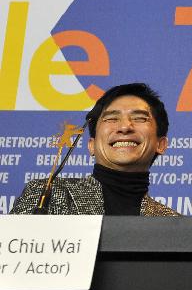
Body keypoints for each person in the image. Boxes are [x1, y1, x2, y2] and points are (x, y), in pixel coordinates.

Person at [12, 83, 178, 216]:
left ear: (161, 144)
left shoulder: (171, 223)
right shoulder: (48, 195)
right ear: (91, 145)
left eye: (139, 118)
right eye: (112, 118)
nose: (125, 127)